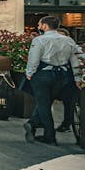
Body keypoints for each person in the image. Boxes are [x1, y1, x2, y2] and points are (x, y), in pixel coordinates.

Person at [24, 16, 81, 145]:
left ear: (44, 26)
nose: (38, 27)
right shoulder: (69, 40)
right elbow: (75, 59)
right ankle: (31, 124)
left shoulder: (39, 40)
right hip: (62, 76)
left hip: (43, 75)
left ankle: (50, 136)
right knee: (47, 101)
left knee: (43, 104)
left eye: (39, 24)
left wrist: (29, 73)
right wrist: (77, 77)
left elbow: (34, 59)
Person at [55, 28, 84, 132]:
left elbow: (80, 60)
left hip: (70, 79)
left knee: (69, 102)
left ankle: (67, 124)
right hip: (57, 79)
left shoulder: (73, 48)